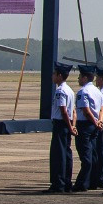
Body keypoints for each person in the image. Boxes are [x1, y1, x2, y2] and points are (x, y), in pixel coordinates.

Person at [72, 64, 103, 192]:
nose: (78, 79)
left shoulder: (83, 92)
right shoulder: (98, 91)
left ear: (85, 78)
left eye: (80, 76)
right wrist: (99, 121)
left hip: (85, 124)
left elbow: (86, 110)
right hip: (95, 125)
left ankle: (82, 182)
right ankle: (93, 180)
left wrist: (94, 121)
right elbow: (102, 109)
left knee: (86, 156)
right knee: (93, 154)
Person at [45, 62, 76, 194]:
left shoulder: (60, 91)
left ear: (59, 75)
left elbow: (64, 111)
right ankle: (66, 182)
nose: (52, 76)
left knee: (59, 155)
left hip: (61, 124)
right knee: (66, 153)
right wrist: (73, 126)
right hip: (67, 124)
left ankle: (59, 184)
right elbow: (73, 111)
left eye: (54, 74)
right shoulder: (69, 90)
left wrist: (69, 127)